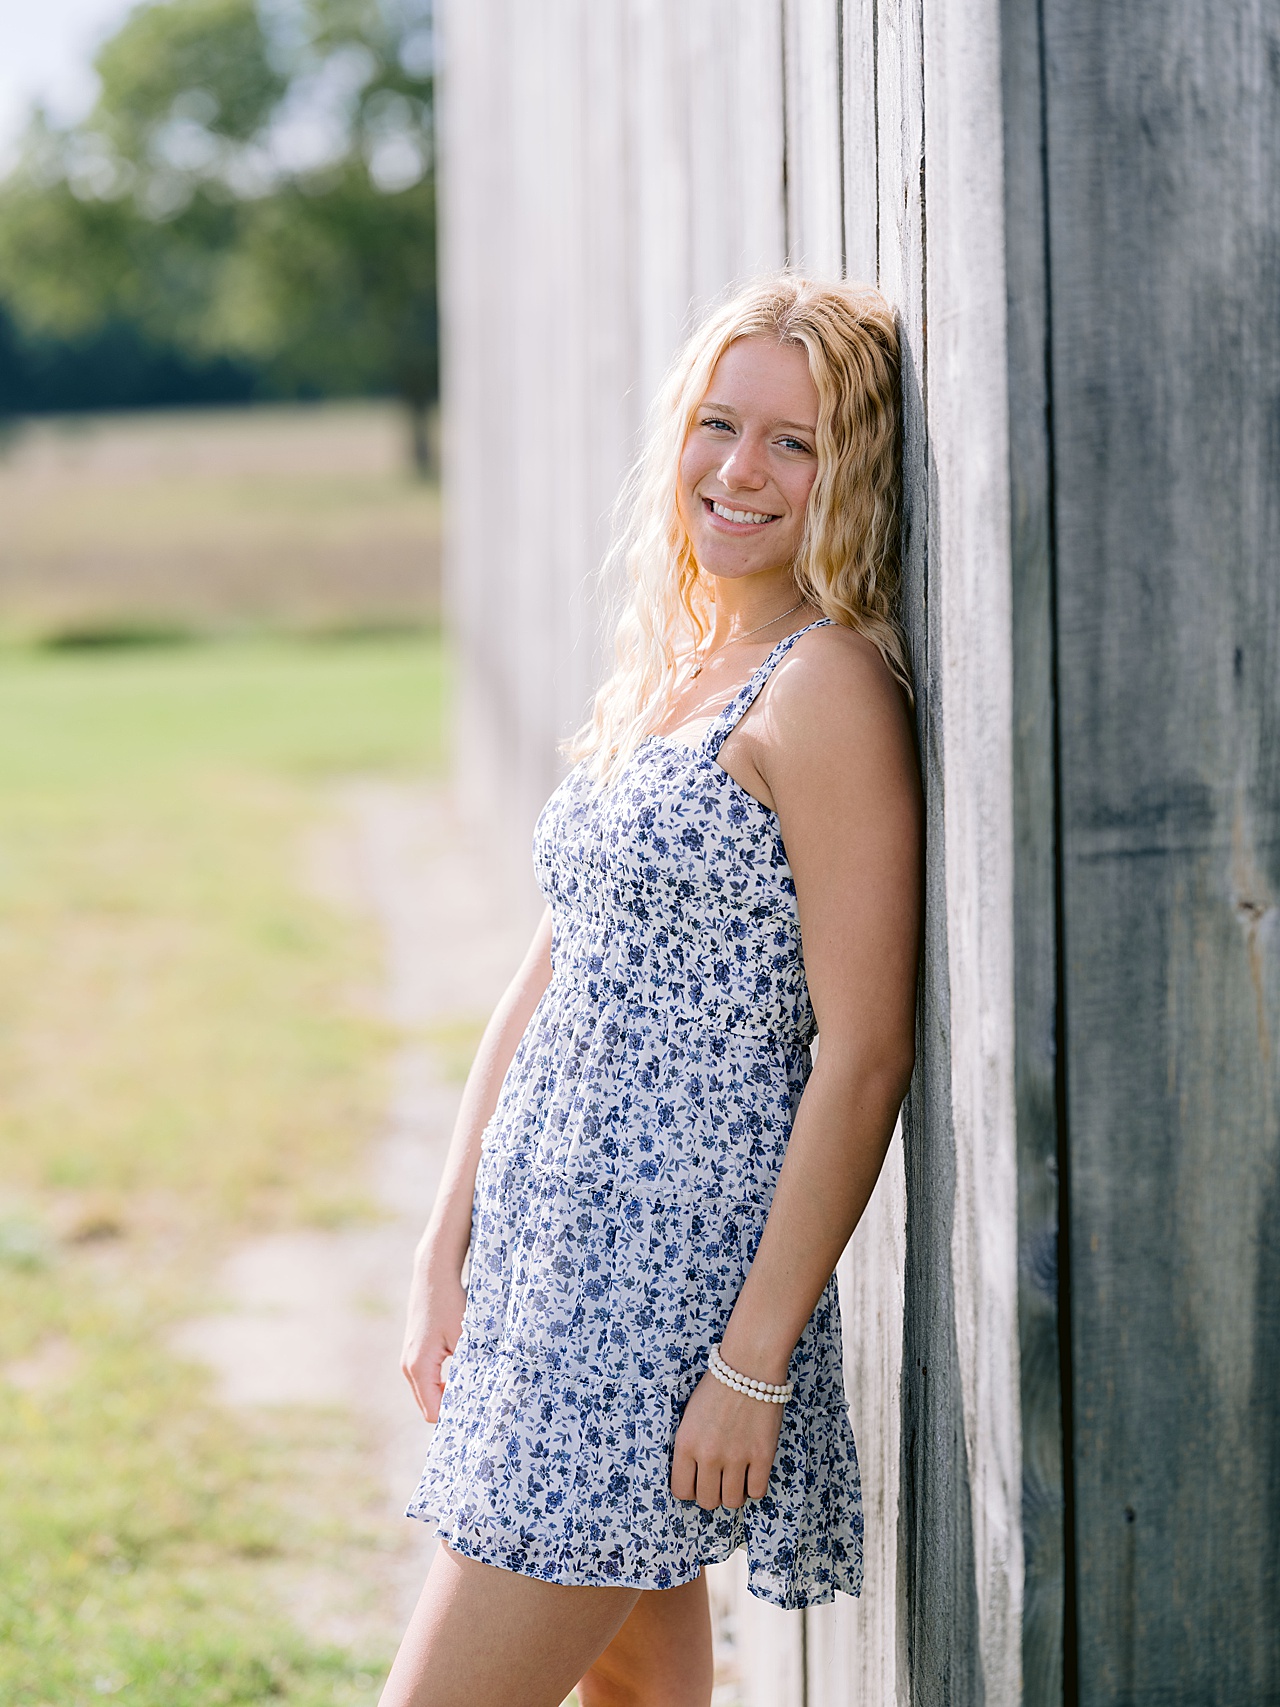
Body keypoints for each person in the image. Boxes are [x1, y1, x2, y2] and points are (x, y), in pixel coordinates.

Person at [382, 273, 922, 1707]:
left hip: (652, 1309)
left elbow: (863, 1055)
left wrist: (750, 1362)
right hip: (545, 1268)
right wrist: (450, 1240)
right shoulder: (682, 669)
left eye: (794, 443)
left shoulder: (825, 695)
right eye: (719, 423)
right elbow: (548, 969)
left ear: (849, 474)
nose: (740, 470)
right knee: (639, 1697)